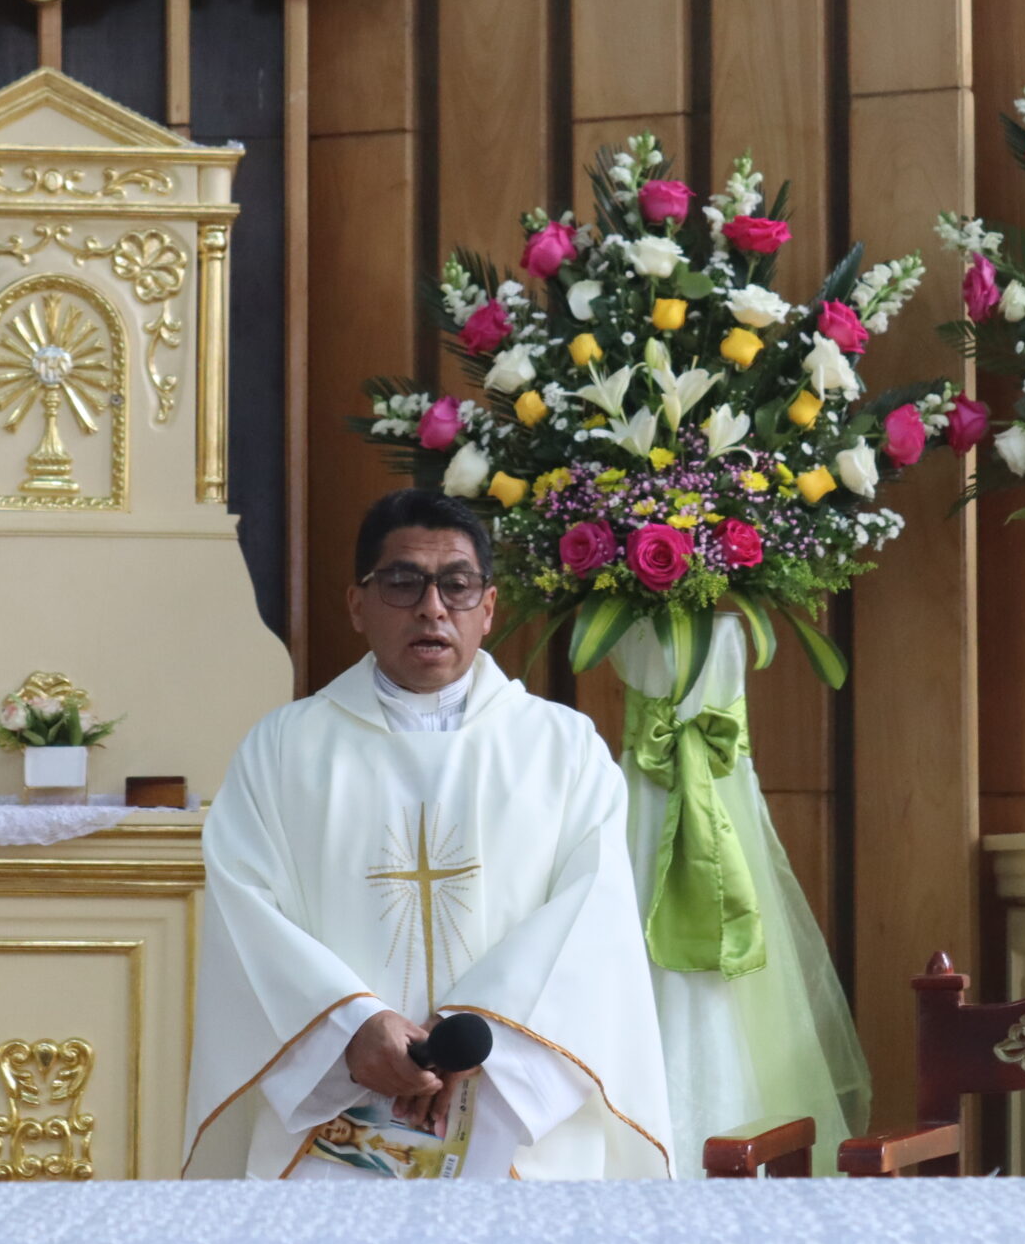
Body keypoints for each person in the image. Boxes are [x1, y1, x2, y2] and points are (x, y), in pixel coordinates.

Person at [182, 489, 673, 1180]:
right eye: (403, 581)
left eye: (457, 585)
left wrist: (480, 1033)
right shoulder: (283, 748)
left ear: (489, 607)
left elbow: (594, 917)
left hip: (512, 1126)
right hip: (336, 1130)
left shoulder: (561, 748)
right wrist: (352, 1027)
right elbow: (244, 911)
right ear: (357, 603)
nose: (432, 607)